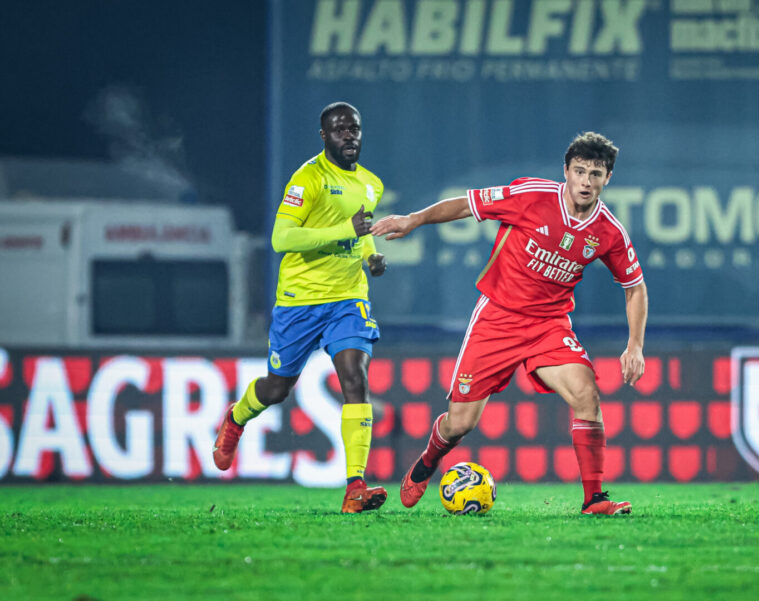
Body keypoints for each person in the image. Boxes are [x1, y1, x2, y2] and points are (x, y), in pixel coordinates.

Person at [371, 131, 647, 515]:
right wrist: (414, 220)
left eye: (596, 174)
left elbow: (634, 287)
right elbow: (466, 205)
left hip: (549, 324)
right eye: (580, 171)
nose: (586, 181)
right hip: (498, 317)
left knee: (587, 395)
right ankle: (428, 461)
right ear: (565, 171)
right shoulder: (532, 196)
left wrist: (634, 345)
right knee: (460, 423)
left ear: (608, 178)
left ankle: (594, 499)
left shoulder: (609, 232)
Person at [212, 102, 389, 513]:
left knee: (354, 376)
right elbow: (281, 238)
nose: (350, 136)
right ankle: (236, 419)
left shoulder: (371, 184)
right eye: (340, 130)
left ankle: (355, 487)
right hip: (301, 301)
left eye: (355, 128)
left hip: (348, 297)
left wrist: (370, 256)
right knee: (277, 389)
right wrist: (346, 231)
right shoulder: (307, 179)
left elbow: (362, 232)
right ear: (324, 136)